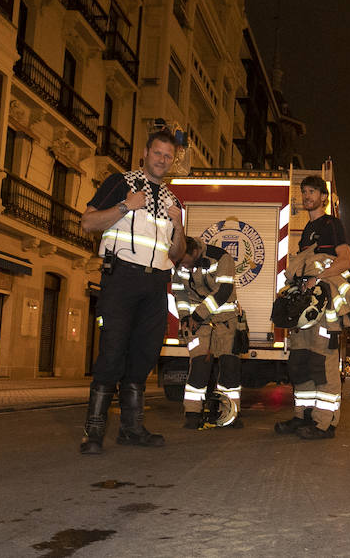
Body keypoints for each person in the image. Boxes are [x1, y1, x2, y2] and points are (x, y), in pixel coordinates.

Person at [77, 130, 186, 455]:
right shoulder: (119, 182)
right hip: (121, 279)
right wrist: (126, 205)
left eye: (168, 156)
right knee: (111, 353)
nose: (162, 160)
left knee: (144, 356)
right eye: (157, 153)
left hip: (156, 286)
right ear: (145, 152)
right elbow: (88, 223)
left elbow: (178, 254)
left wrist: (179, 226)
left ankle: (131, 429)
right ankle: (93, 433)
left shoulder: (172, 200)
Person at [275, 175, 350, 440]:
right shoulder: (306, 232)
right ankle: (303, 416)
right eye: (304, 192)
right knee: (301, 362)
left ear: (323, 197)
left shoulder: (331, 224)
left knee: (323, 365)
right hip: (306, 309)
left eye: (312, 191)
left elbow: (346, 260)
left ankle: (325, 424)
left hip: (325, 311)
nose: (307, 196)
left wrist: (318, 278)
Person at [172, 236, 244, 429]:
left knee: (229, 368)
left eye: (185, 262)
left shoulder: (221, 258)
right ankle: (192, 413)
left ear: (194, 252)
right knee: (198, 366)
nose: (182, 267)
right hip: (198, 324)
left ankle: (229, 414)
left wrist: (197, 315)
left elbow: (223, 291)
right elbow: (179, 293)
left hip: (225, 321)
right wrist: (185, 317)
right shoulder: (180, 262)